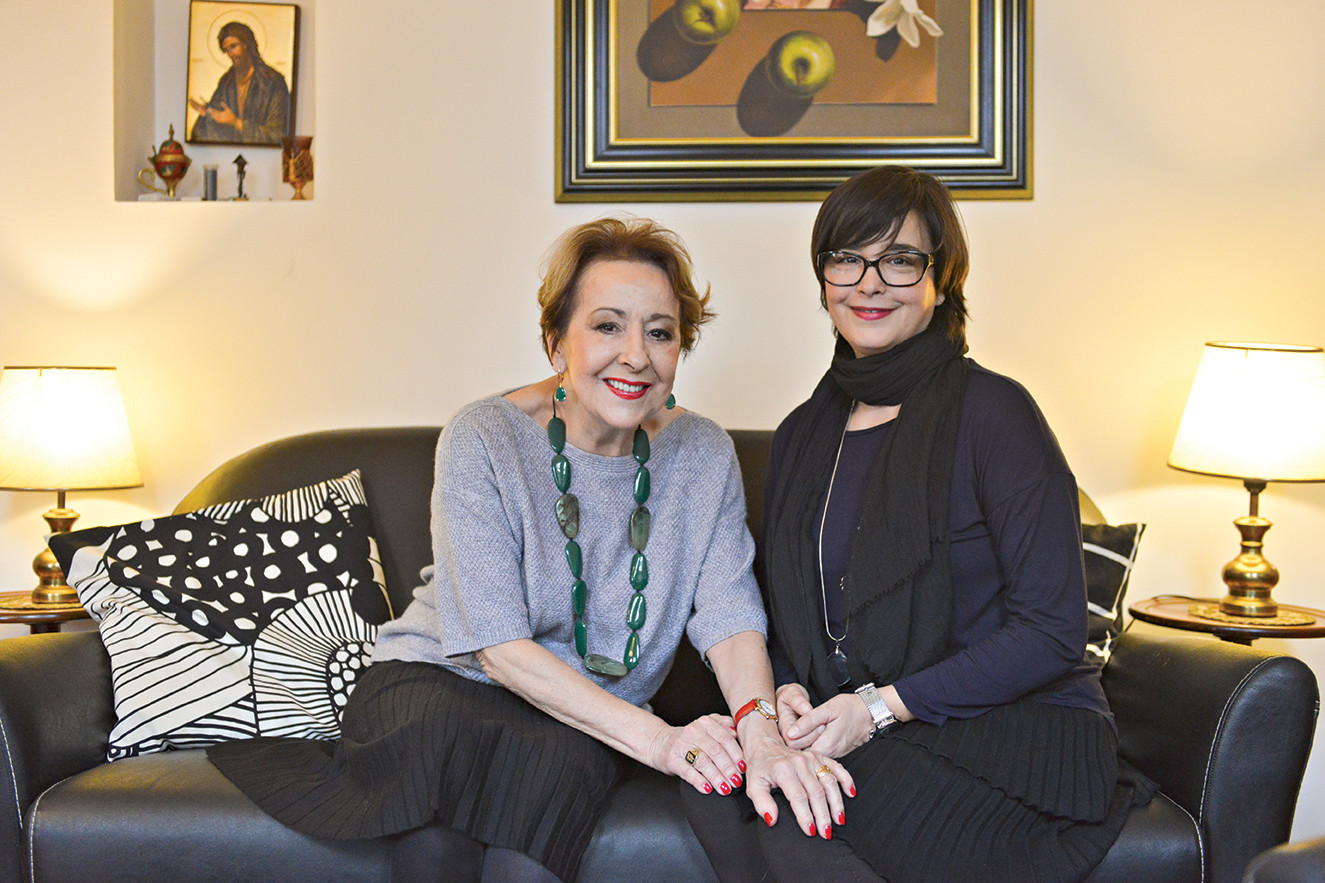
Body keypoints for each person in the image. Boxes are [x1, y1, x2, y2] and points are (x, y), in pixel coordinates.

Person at [208, 217, 851, 882]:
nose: (635, 354)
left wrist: (758, 729)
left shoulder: (703, 453)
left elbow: (728, 612)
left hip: (581, 709)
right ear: (555, 342)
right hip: (441, 681)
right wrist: (662, 741)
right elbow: (495, 646)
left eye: (660, 332)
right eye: (607, 326)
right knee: (434, 826)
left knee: (540, 824)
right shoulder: (483, 437)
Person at [682, 166, 1154, 882]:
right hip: (869, 721)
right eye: (847, 258)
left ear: (942, 277)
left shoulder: (996, 415)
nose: (869, 284)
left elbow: (1052, 631)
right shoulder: (802, 435)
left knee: (806, 805)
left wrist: (877, 708)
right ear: (823, 277)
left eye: (899, 260)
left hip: (1015, 727)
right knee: (723, 785)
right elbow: (786, 613)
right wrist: (786, 691)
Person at [189, 21, 290, 145]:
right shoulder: (227, 82)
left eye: (234, 46)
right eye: (227, 50)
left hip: (262, 153)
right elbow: (213, 127)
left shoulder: (272, 82)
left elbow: (278, 135)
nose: (231, 54)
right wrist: (207, 114)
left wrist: (236, 122)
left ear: (246, 44)